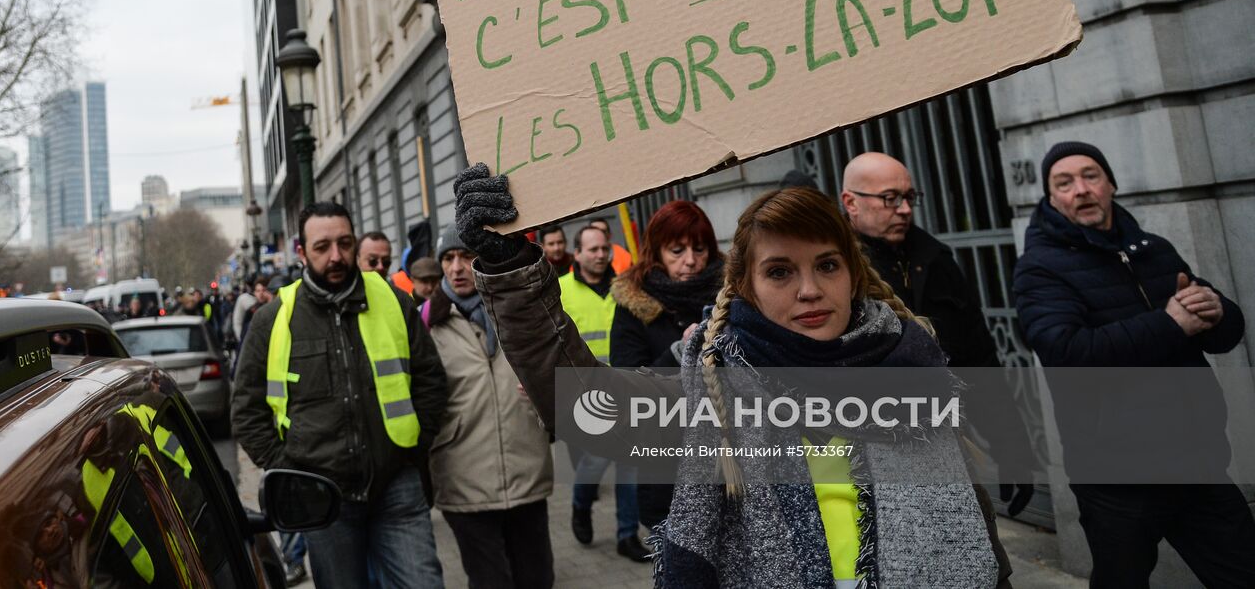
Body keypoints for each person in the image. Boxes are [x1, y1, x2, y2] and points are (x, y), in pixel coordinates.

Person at [453, 164, 1011, 588]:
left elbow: (981, 549)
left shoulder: (915, 370)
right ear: (744, 285)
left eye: (827, 264)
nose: (810, 289)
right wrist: (510, 269)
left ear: (852, 273)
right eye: (779, 271)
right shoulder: (714, 396)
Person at [1013, 141, 1253, 588]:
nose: (1081, 190)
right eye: (1064, 183)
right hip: (1117, 474)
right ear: (1051, 198)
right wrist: (1170, 324)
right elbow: (1067, 352)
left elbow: (1222, 335)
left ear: (1111, 184)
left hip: (1195, 459)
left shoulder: (1153, 250)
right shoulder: (1040, 269)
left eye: (1091, 176)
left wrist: (1217, 310)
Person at [232, 201, 448, 589]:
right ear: (301, 252)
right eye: (322, 246)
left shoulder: (393, 302)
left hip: (396, 485)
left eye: (345, 243)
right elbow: (246, 412)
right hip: (324, 500)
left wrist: (416, 448)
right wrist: (289, 468)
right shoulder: (274, 319)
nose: (336, 256)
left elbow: (431, 378)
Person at [842, 152, 1033, 515]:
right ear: (851, 202)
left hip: (952, 445)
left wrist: (1011, 448)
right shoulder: (836, 270)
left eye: (909, 197)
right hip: (876, 458)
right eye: (889, 198)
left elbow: (978, 357)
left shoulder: (935, 258)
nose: (903, 209)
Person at [422, 226, 555, 589]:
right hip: (463, 476)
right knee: (490, 581)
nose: (457, 267)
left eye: (465, 256)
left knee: (538, 578)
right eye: (448, 259)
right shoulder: (425, 323)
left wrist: (544, 398)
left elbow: (556, 367)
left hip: (526, 467)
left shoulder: (518, 311)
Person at [609, 200, 723, 529]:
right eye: (677, 250)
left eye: (699, 249)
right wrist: (679, 351)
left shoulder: (732, 296)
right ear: (657, 252)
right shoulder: (634, 306)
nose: (690, 261)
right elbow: (629, 389)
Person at [561, 224, 647, 560]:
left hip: (627, 389)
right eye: (592, 249)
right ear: (577, 253)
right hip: (586, 394)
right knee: (595, 460)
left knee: (630, 464)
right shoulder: (560, 290)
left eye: (604, 248)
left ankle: (627, 535)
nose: (600, 255)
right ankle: (581, 505)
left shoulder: (625, 288)